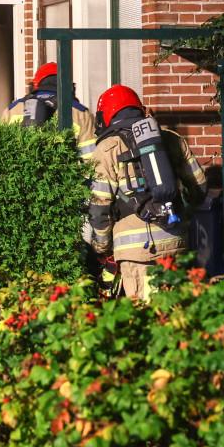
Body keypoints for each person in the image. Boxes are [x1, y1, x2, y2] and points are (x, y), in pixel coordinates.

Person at [88, 85, 207, 301]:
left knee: (147, 320)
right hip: (176, 244)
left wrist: (102, 247)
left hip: (136, 254)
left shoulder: (106, 149)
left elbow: (99, 207)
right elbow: (199, 188)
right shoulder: (171, 139)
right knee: (178, 316)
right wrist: (181, 215)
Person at [6, 61, 98, 161]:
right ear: (69, 86)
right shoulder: (80, 113)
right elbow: (90, 160)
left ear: (35, 85)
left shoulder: (13, 109)